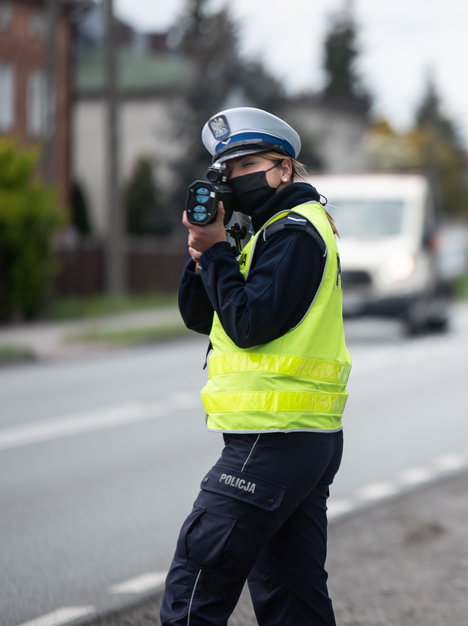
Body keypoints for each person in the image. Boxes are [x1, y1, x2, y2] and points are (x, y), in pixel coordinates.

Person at [161, 106, 351, 625]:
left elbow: (248, 324)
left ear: (284, 168)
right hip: (293, 437)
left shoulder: (293, 233)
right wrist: (204, 250)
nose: (234, 180)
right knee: (293, 602)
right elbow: (200, 315)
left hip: (273, 440)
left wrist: (220, 252)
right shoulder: (262, 231)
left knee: (194, 591)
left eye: (247, 167)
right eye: (226, 171)